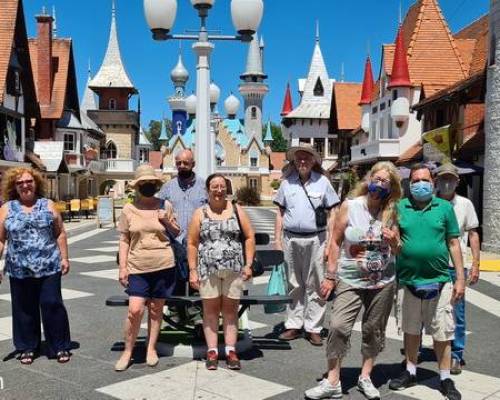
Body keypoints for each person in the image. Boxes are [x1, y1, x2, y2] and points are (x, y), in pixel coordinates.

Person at [305, 161, 402, 400]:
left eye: (384, 182)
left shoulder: (392, 211)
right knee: (338, 326)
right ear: (368, 180)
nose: (378, 184)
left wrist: (392, 242)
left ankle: (366, 376)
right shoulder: (350, 206)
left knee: (374, 330)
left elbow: (398, 249)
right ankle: (332, 381)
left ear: (391, 188)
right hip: (350, 278)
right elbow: (335, 241)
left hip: (383, 281)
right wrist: (330, 275)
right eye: (376, 179)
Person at [389, 163, 465, 400]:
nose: (420, 184)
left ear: (432, 183)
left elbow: (453, 244)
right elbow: (397, 245)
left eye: (424, 180)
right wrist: (392, 242)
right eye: (415, 181)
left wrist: (460, 278)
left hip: (440, 280)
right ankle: (410, 371)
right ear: (409, 184)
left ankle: (444, 378)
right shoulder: (400, 208)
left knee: (442, 332)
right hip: (408, 281)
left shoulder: (444, 208)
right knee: (411, 330)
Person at [0, 167, 71, 365]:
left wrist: (65, 257)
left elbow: (60, 233)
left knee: (52, 304)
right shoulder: (6, 208)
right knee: (23, 308)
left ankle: (59, 345)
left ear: (36, 183)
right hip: (19, 269)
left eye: (28, 181)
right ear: (14, 187)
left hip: (49, 266)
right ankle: (27, 347)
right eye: (20, 183)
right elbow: (0, 239)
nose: (25, 185)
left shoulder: (48, 205)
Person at [115, 165, 180, 371]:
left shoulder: (165, 205)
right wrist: (122, 267)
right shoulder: (129, 209)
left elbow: (177, 232)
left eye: (151, 183)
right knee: (135, 310)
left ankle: (151, 348)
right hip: (137, 266)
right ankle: (128, 351)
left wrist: (166, 220)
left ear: (156, 185)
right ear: (137, 186)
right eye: (143, 183)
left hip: (163, 264)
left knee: (156, 309)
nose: (148, 186)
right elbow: (124, 239)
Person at [273, 144, 340, 346]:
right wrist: (277, 240)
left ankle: (314, 327)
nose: (302, 162)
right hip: (291, 238)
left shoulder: (323, 183)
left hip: (317, 239)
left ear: (313, 161)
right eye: (299, 158)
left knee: (316, 283)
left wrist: (330, 243)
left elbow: (333, 213)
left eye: (306, 158)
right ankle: (293, 324)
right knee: (294, 282)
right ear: (294, 161)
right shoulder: (287, 184)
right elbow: (280, 213)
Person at [187, 173, 254, 370]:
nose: (218, 190)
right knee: (210, 311)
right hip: (207, 270)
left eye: (222, 187)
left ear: (227, 189)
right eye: (214, 187)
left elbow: (249, 237)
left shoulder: (236, 209)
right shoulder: (200, 213)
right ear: (207, 190)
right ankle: (212, 351)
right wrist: (193, 270)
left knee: (231, 310)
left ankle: (231, 349)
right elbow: (192, 243)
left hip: (234, 270)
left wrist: (248, 264)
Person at [435, 163, 480, 375]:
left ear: (457, 181)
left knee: (457, 313)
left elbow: (472, 234)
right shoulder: (429, 203)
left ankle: (456, 355)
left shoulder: (465, 204)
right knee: (427, 312)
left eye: (450, 179)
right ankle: (417, 351)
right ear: (436, 180)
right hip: (432, 266)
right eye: (443, 178)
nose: (446, 182)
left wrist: (476, 265)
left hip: (456, 266)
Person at [158, 149, 207, 326]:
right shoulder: (168, 187)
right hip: (174, 242)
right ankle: (176, 311)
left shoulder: (203, 186)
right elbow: (158, 210)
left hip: (197, 241)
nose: (182, 166)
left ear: (193, 164)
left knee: (195, 277)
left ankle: (195, 313)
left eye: (185, 163)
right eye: (178, 162)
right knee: (175, 278)